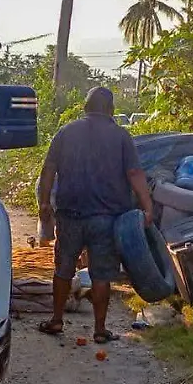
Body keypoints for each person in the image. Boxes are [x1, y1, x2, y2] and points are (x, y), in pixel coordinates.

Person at [36, 87, 154, 344]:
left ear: (85, 107)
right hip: (107, 218)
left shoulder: (66, 132)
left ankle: (56, 321)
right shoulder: (121, 136)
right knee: (101, 275)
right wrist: (147, 207)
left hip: (69, 215)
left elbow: (49, 169)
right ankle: (100, 330)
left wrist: (44, 203)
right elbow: (135, 174)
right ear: (111, 110)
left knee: (63, 269)